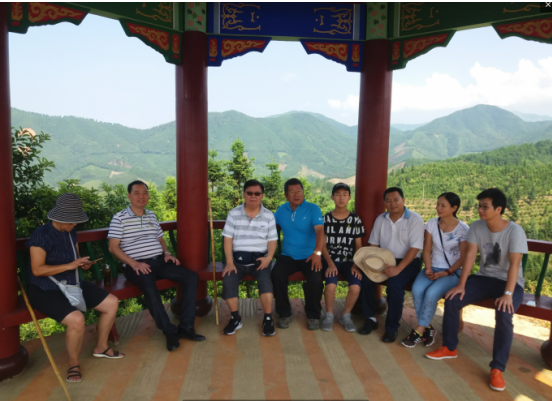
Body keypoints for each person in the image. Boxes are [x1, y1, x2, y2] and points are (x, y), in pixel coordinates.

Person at [426, 188, 528, 392]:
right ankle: (449, 347)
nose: (480, 210)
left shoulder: (514, 231)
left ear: (498, 209)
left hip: (509, 282)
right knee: (452, 299)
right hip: (483, 278)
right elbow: (470, 256)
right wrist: (461, 285)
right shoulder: (477, 226)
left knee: (504, 313)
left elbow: (515, 265)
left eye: (485, 207)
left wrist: (508, 294)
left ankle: (497, 368)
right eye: (479, 206)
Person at [27, 193, 124, 383]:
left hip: (72, 283)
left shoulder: (71, 232)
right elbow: (37, 270)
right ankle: (74, 363)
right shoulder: (41, 235)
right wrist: (69, 266)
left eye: (75, 221)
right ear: (59, 217)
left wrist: (81, 264)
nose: (74, 224)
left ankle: (101, 347)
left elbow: (74, 259)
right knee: (77, 320)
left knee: (111, 303)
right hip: (44, 289)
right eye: (71, 221)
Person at [108, 180, 205, 352]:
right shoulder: (119, 218)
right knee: (149, 286)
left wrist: (166, 253)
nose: (141, 196)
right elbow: (113, 247)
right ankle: (169, 332)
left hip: (160, 261)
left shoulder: (151, 215)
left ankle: (186, 328)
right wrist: (134, 263)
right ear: (129, 196)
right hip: (137, 265)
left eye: (145, 193)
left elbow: (160, 239)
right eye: (137, 193)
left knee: (191, 277)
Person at [356, 187, 425, 342]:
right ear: (384, 203)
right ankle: (370, 318)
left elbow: (415, 248)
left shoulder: (415, 219)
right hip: (384, 259)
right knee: (366, 279)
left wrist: (398, 268)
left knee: (394, 285)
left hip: (407, 262)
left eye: (396, 200)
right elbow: (374, 244)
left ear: (403, 200)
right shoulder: (381, 219)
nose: (392, 203)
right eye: (388, 200)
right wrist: (369, 264)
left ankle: (391, 327)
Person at [401, 192, 468, 348]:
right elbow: (426, 250)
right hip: (433, 267)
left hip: (452, 272)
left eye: (443, 205)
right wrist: (428, 268)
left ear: (454, 208)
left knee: (431, 293)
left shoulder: (463, 229)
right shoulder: (431, 224)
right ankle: (428, 328)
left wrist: (447, 272)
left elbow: (464, 257)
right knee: (417, 289)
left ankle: (419, 331)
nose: (438, 208)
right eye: (438, 204)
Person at [221, 179, 278, 336]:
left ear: (262, 195)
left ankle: (268, 318)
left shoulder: (269, 216)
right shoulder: (233, 214)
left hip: (260, 260)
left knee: (266, 282)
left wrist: (269, 258)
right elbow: (228, 239)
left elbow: (272, 240)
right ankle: (235, 318)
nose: (253, 196)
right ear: (244, 194)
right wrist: (229, 262)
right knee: (228, 281)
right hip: (236, 260)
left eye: (257, 193)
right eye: (250, 193)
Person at [271, 178, 325, 330]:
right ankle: (284, 313)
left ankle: (313, 316)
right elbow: (268, 225)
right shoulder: (281, 210)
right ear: (286, 195)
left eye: (299, 191)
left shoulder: (313, 209)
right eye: (292, 192)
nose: (297, 194)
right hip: (288, 255)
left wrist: (317, 252)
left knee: (315, 280)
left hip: (310, 255)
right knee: (276, 275)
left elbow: (320, 231)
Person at [320, 183, 365, 332]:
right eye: (338, 194)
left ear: (349, 197)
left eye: (345, 195)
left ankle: (346, 315)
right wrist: (330, 263)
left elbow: (359, 246)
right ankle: (329, 315)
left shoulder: (355, 220)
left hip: (349, 261)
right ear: (332, 197)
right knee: (330, 285)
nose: (341, 198)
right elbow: (322, 246)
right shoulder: (325, 219)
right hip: (330, 259)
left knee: (355, 286)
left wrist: (356, 264)